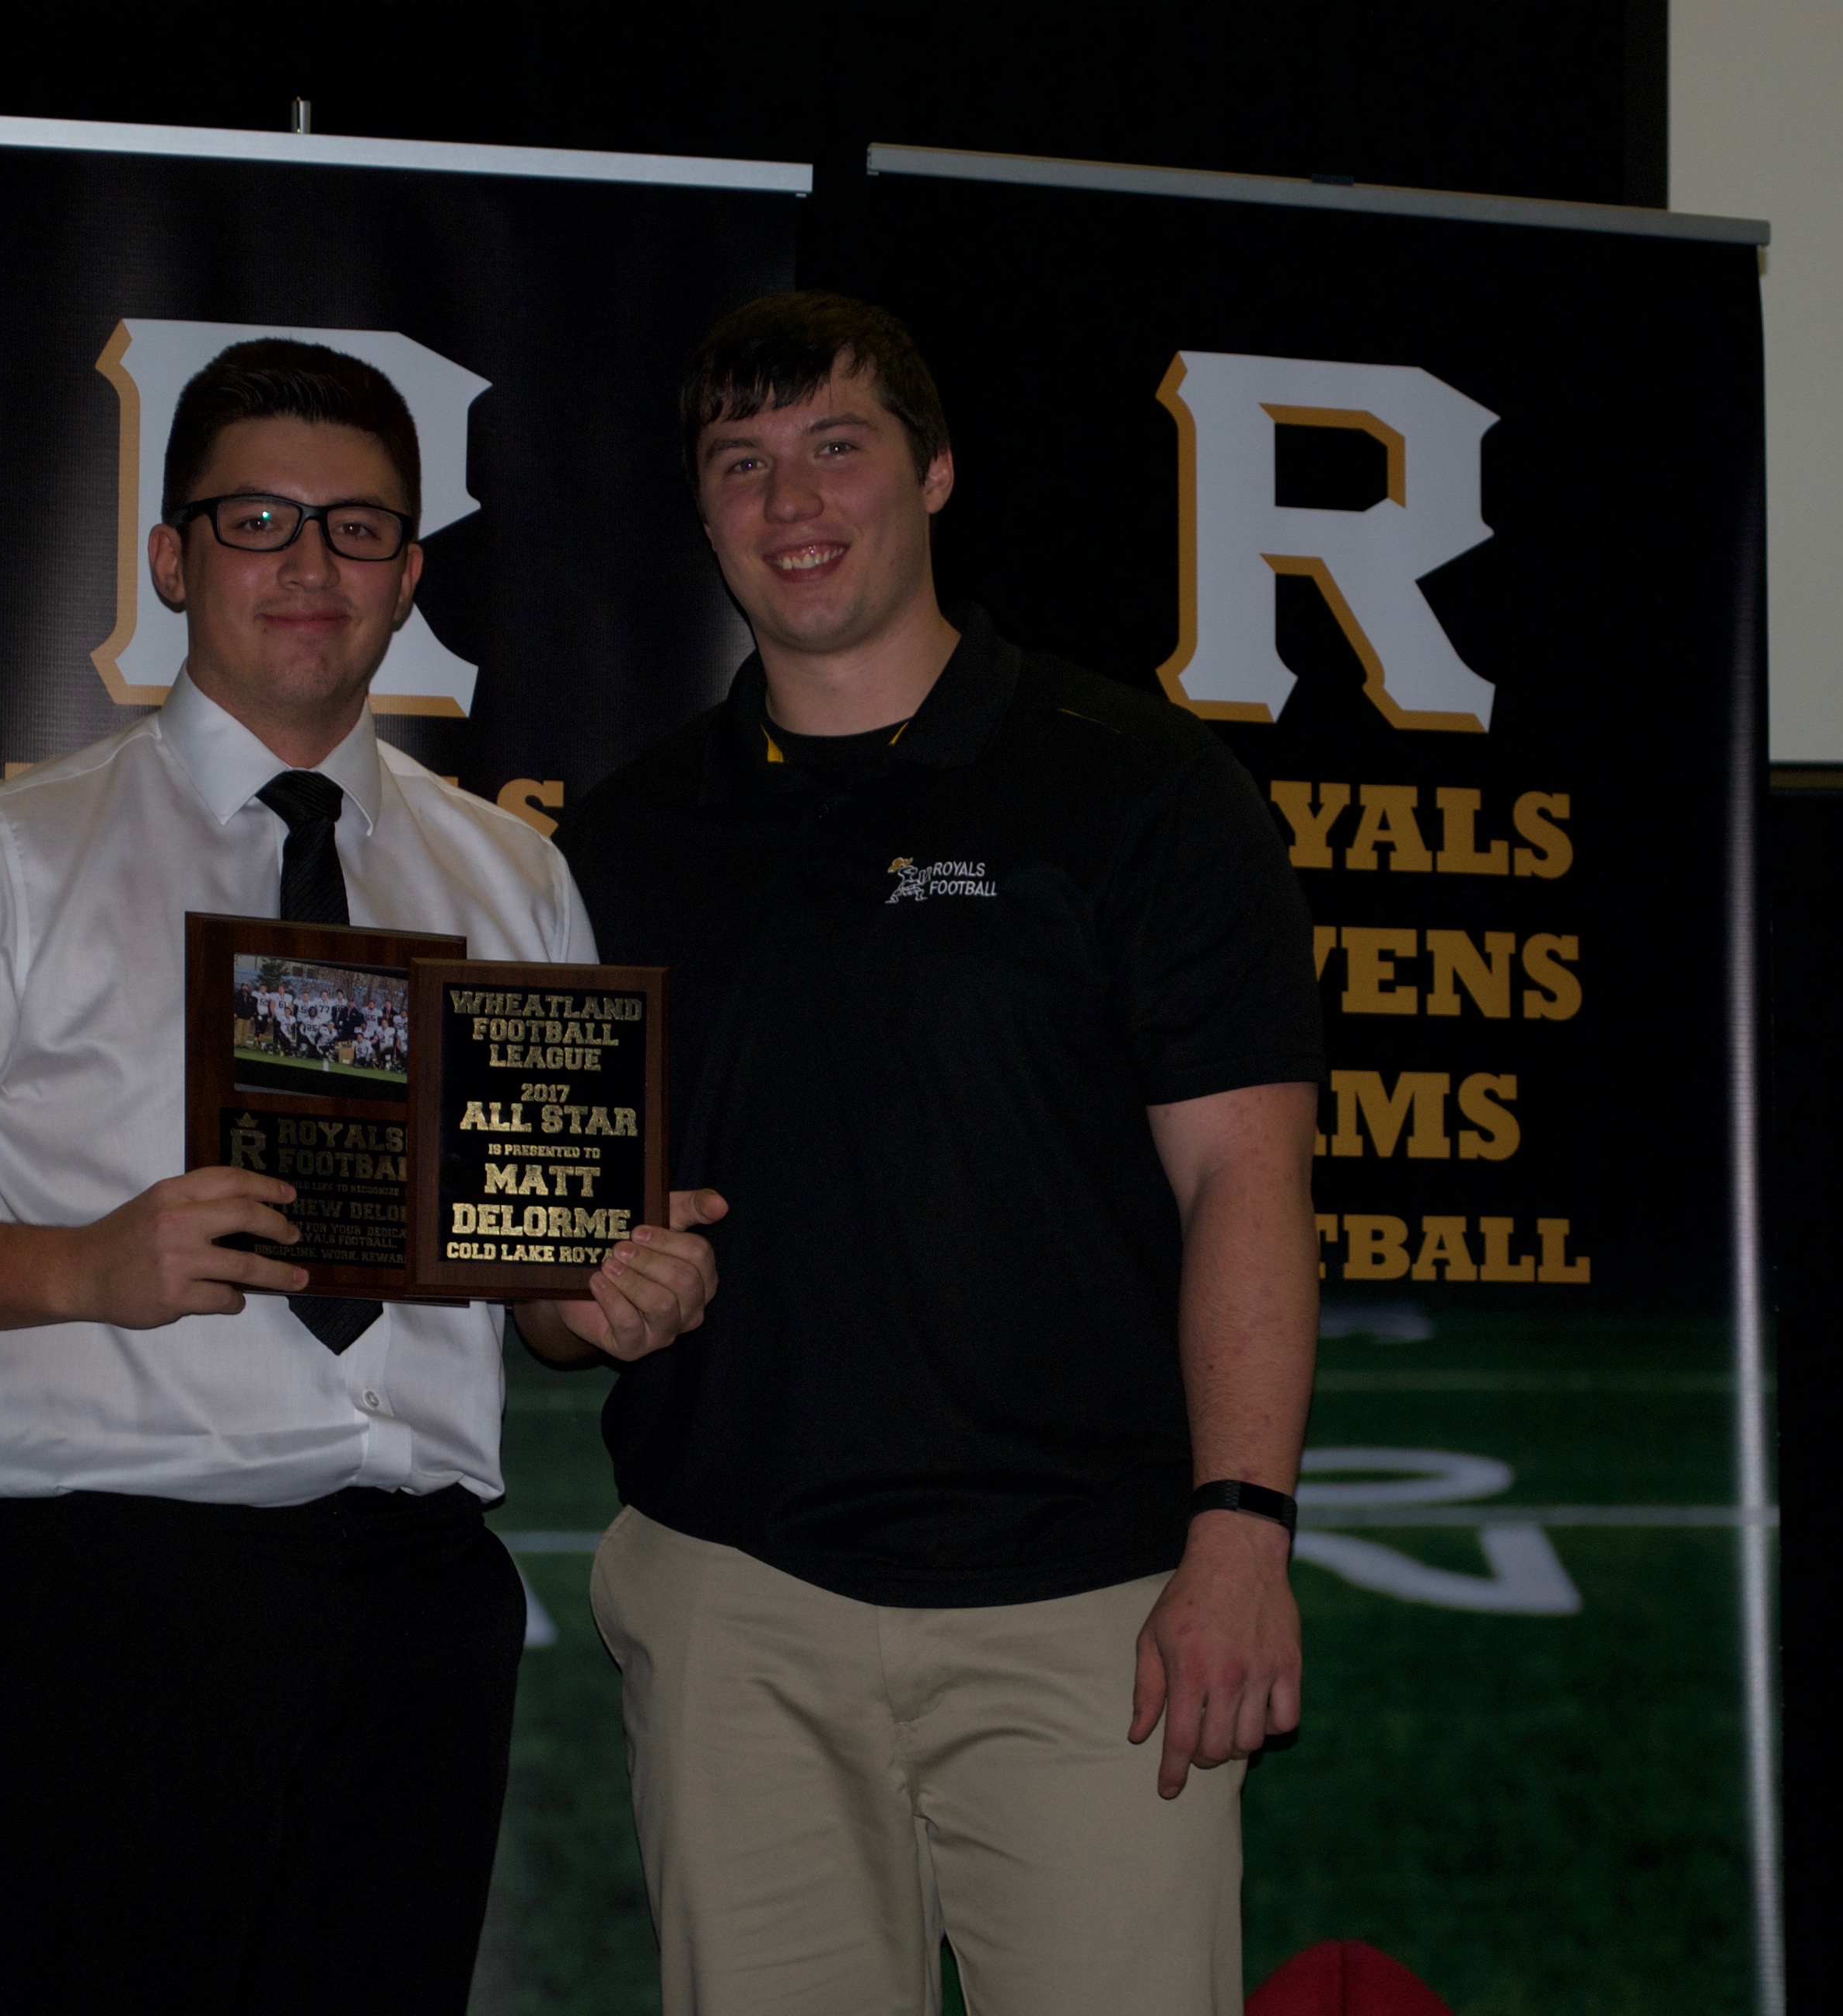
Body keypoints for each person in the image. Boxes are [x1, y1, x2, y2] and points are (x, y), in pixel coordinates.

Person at [0, 338, 724, 2015]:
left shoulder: (510, 875)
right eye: (259, 520)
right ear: (172, 556)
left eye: (358, 528)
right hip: (102, 1609)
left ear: (409, 576)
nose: (310, 564)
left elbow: (541, 1298)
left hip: (417, 1610)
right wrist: (78, 1268)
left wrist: (611, 1294)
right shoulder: (10, 853)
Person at [554, 292, 1325, 2016]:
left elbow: (1245, 1180)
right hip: (734, 1606)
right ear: (701, 512)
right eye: (740, 461)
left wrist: (1240, 1534)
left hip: (1092, 1611)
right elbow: (555, 1256)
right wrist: (576, 1299)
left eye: (837, 445)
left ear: (937, 472)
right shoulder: (622, 838)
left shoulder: (1135, 785)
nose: (791, 501)